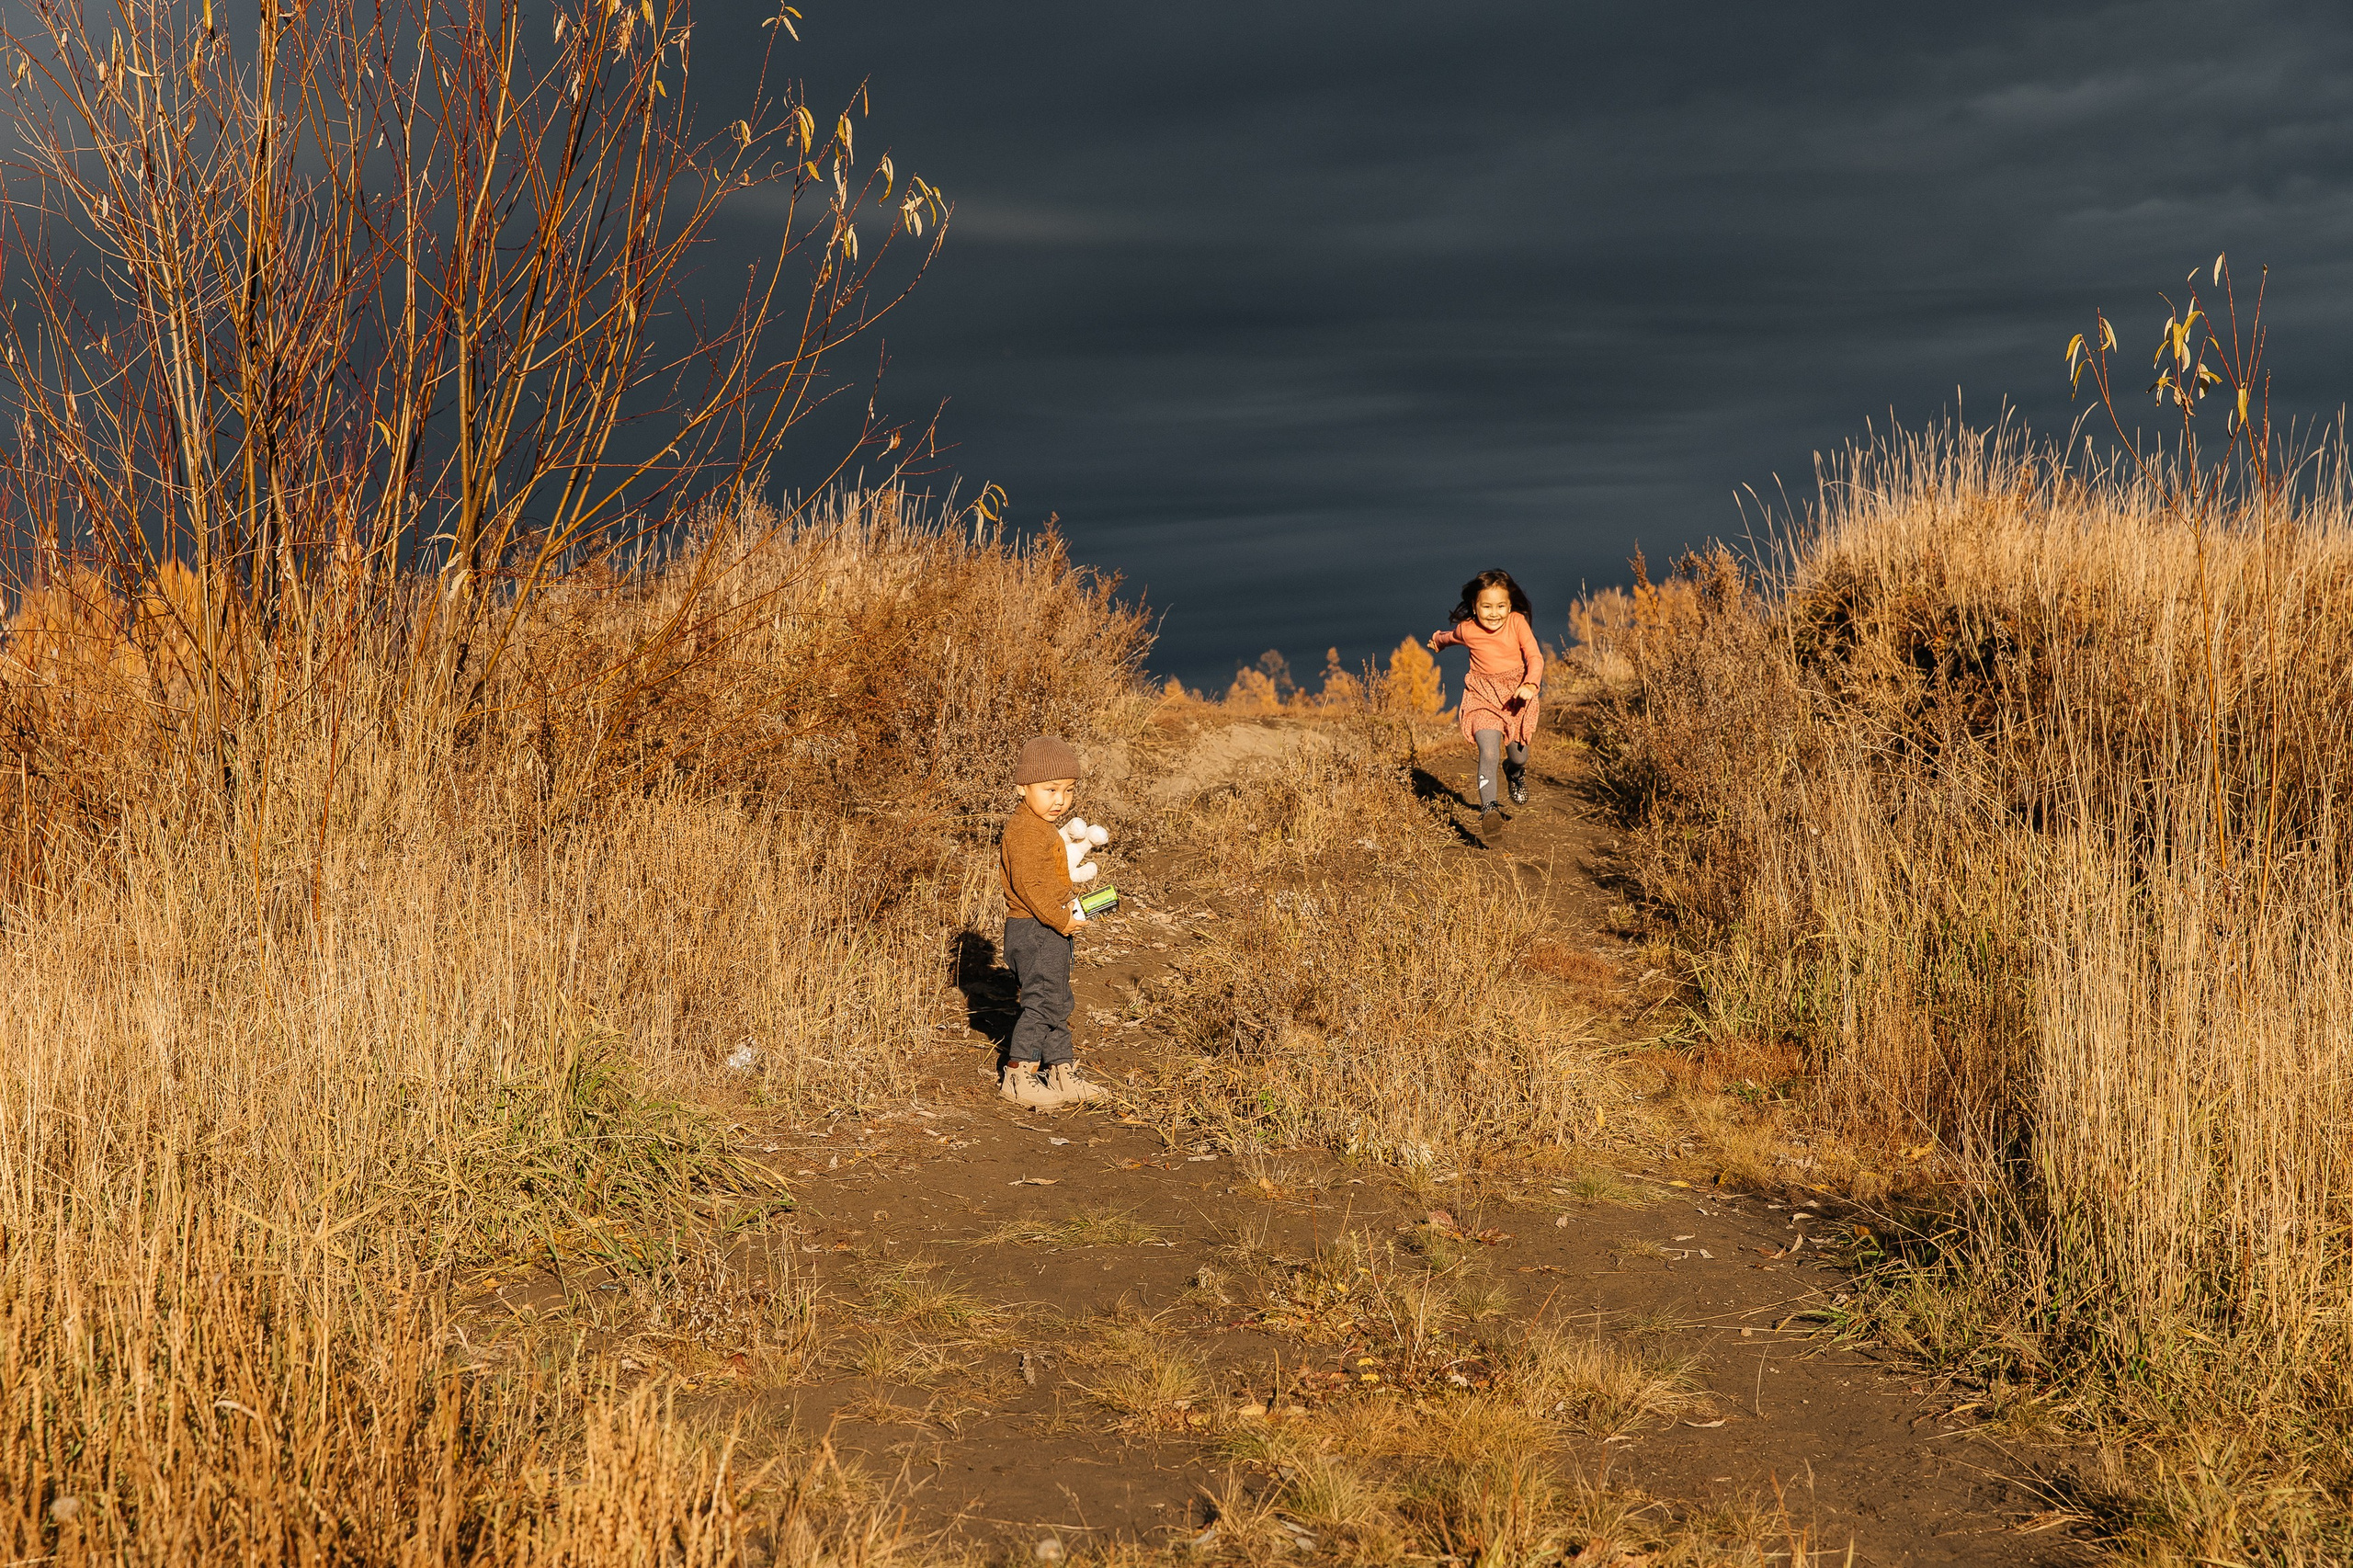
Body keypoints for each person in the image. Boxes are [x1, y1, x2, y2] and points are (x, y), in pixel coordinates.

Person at [996, 734, 1111, 1108]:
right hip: (1035, 928)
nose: (1060, 800)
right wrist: (1062, 918)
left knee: (1057, 1000)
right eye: (1049, 789)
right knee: (1042, 1002)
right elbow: (1030, 886)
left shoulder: (1040, 827)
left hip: (1046, 927)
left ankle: (1061, 1071)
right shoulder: (1025, 831)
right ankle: (1019, 1074)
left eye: (1068, 790)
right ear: (1021, 787)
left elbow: (1049, 878)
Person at [1427, 570, 1543, 842]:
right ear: (1474, 607)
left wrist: (1530, 684)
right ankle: (1489, 810)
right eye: (1487, 606)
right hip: (1481, 696)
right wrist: (1436, 642)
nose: (1494, 613)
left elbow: (1535, 657)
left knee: (1518, 756)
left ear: (1510, 605)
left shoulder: (1517, 623)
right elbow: (1448, 636)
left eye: (1501, 606)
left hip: (1516, 696)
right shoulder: (1468, 629)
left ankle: (1514, 772)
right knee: (1488, 751)